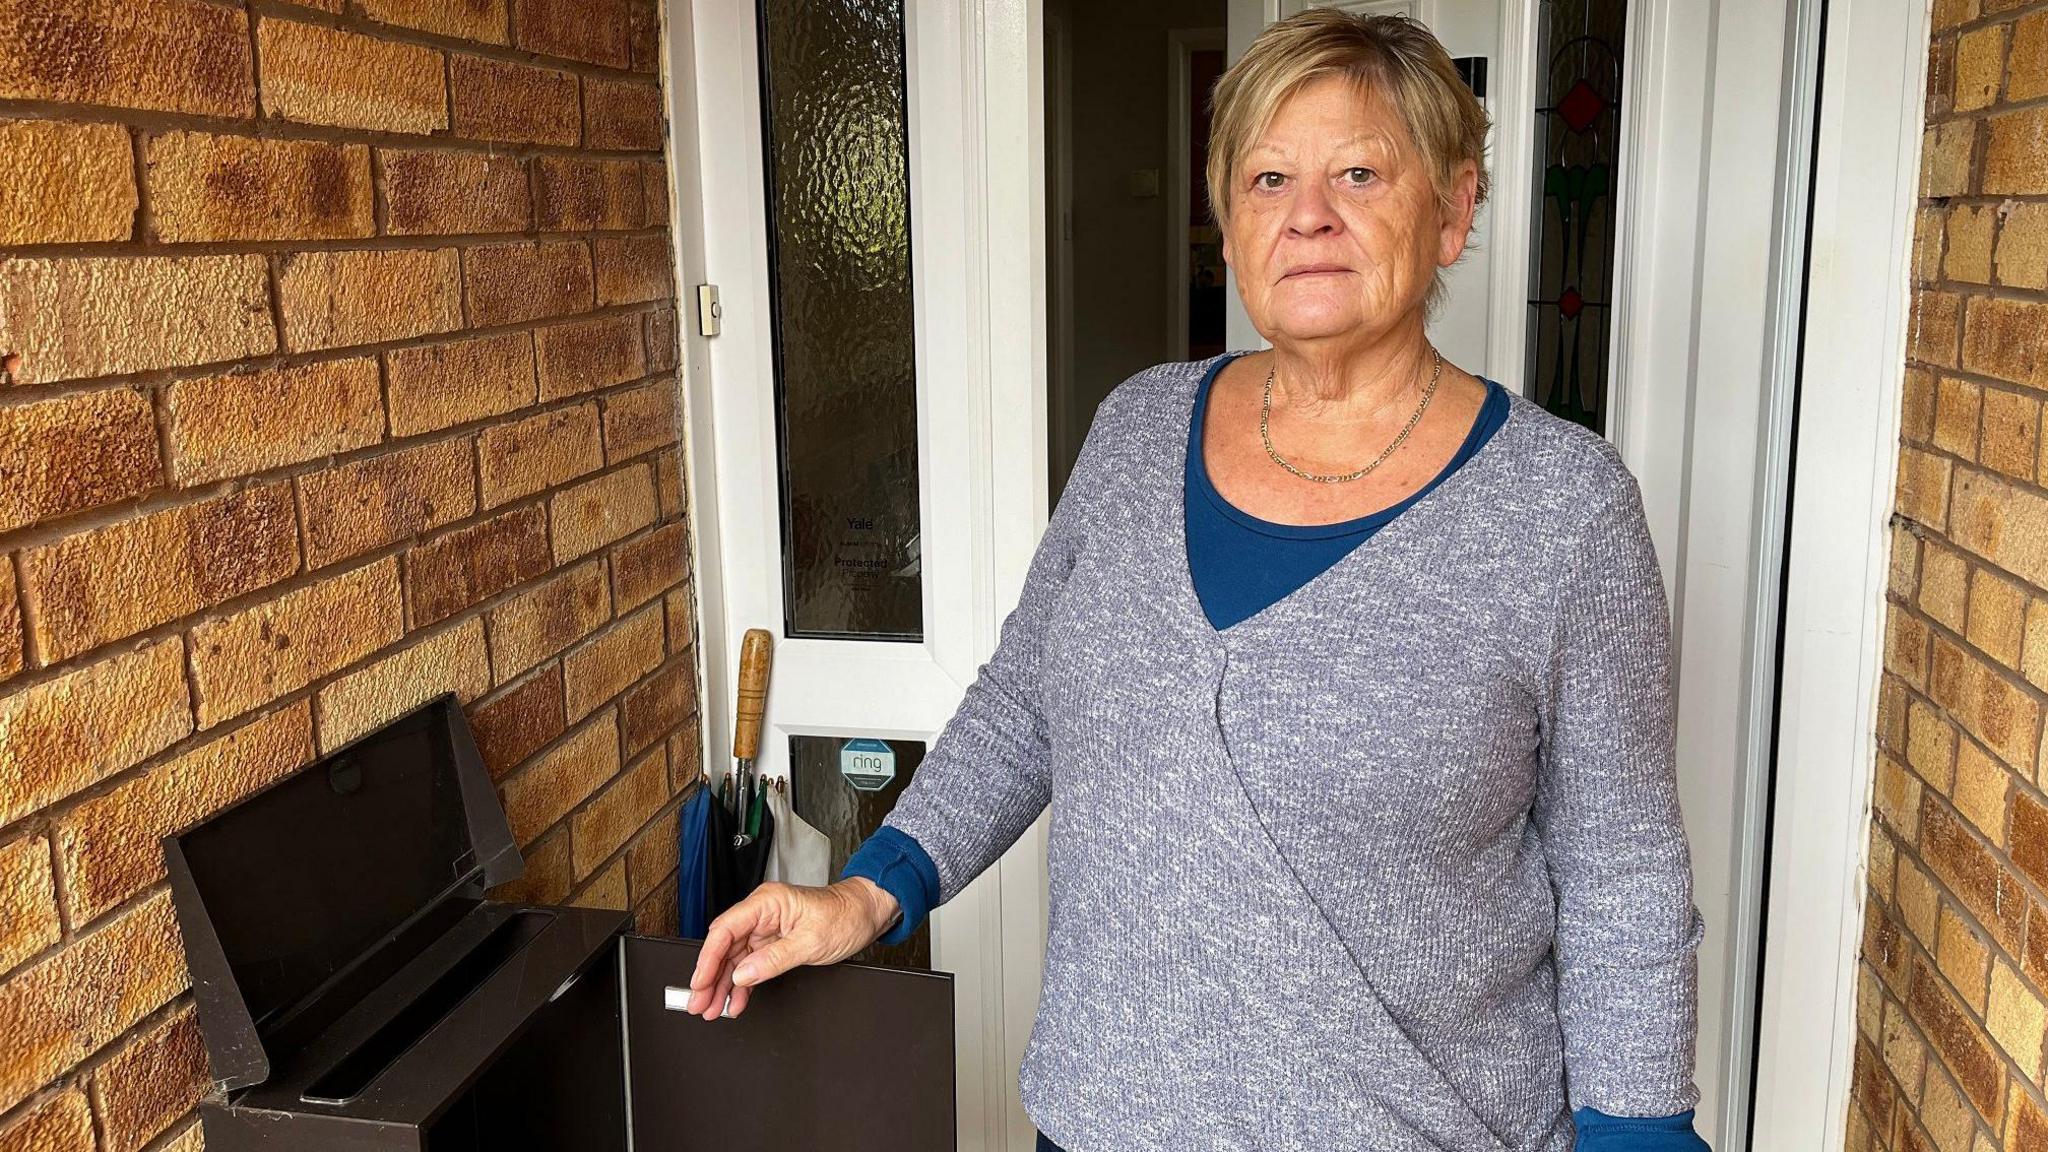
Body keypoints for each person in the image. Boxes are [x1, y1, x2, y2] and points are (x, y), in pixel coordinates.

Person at [683, 9, 1709, 1151]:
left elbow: (1619, 871)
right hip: (1104, 1117)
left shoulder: (1561, 509)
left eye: (1359, 172)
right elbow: (1026, 703)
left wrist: (1640, 1133)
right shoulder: (1136, 430)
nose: (1307, 216)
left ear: (1454, 209)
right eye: (1266, 178)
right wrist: (866, 893)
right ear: (1226, 226)